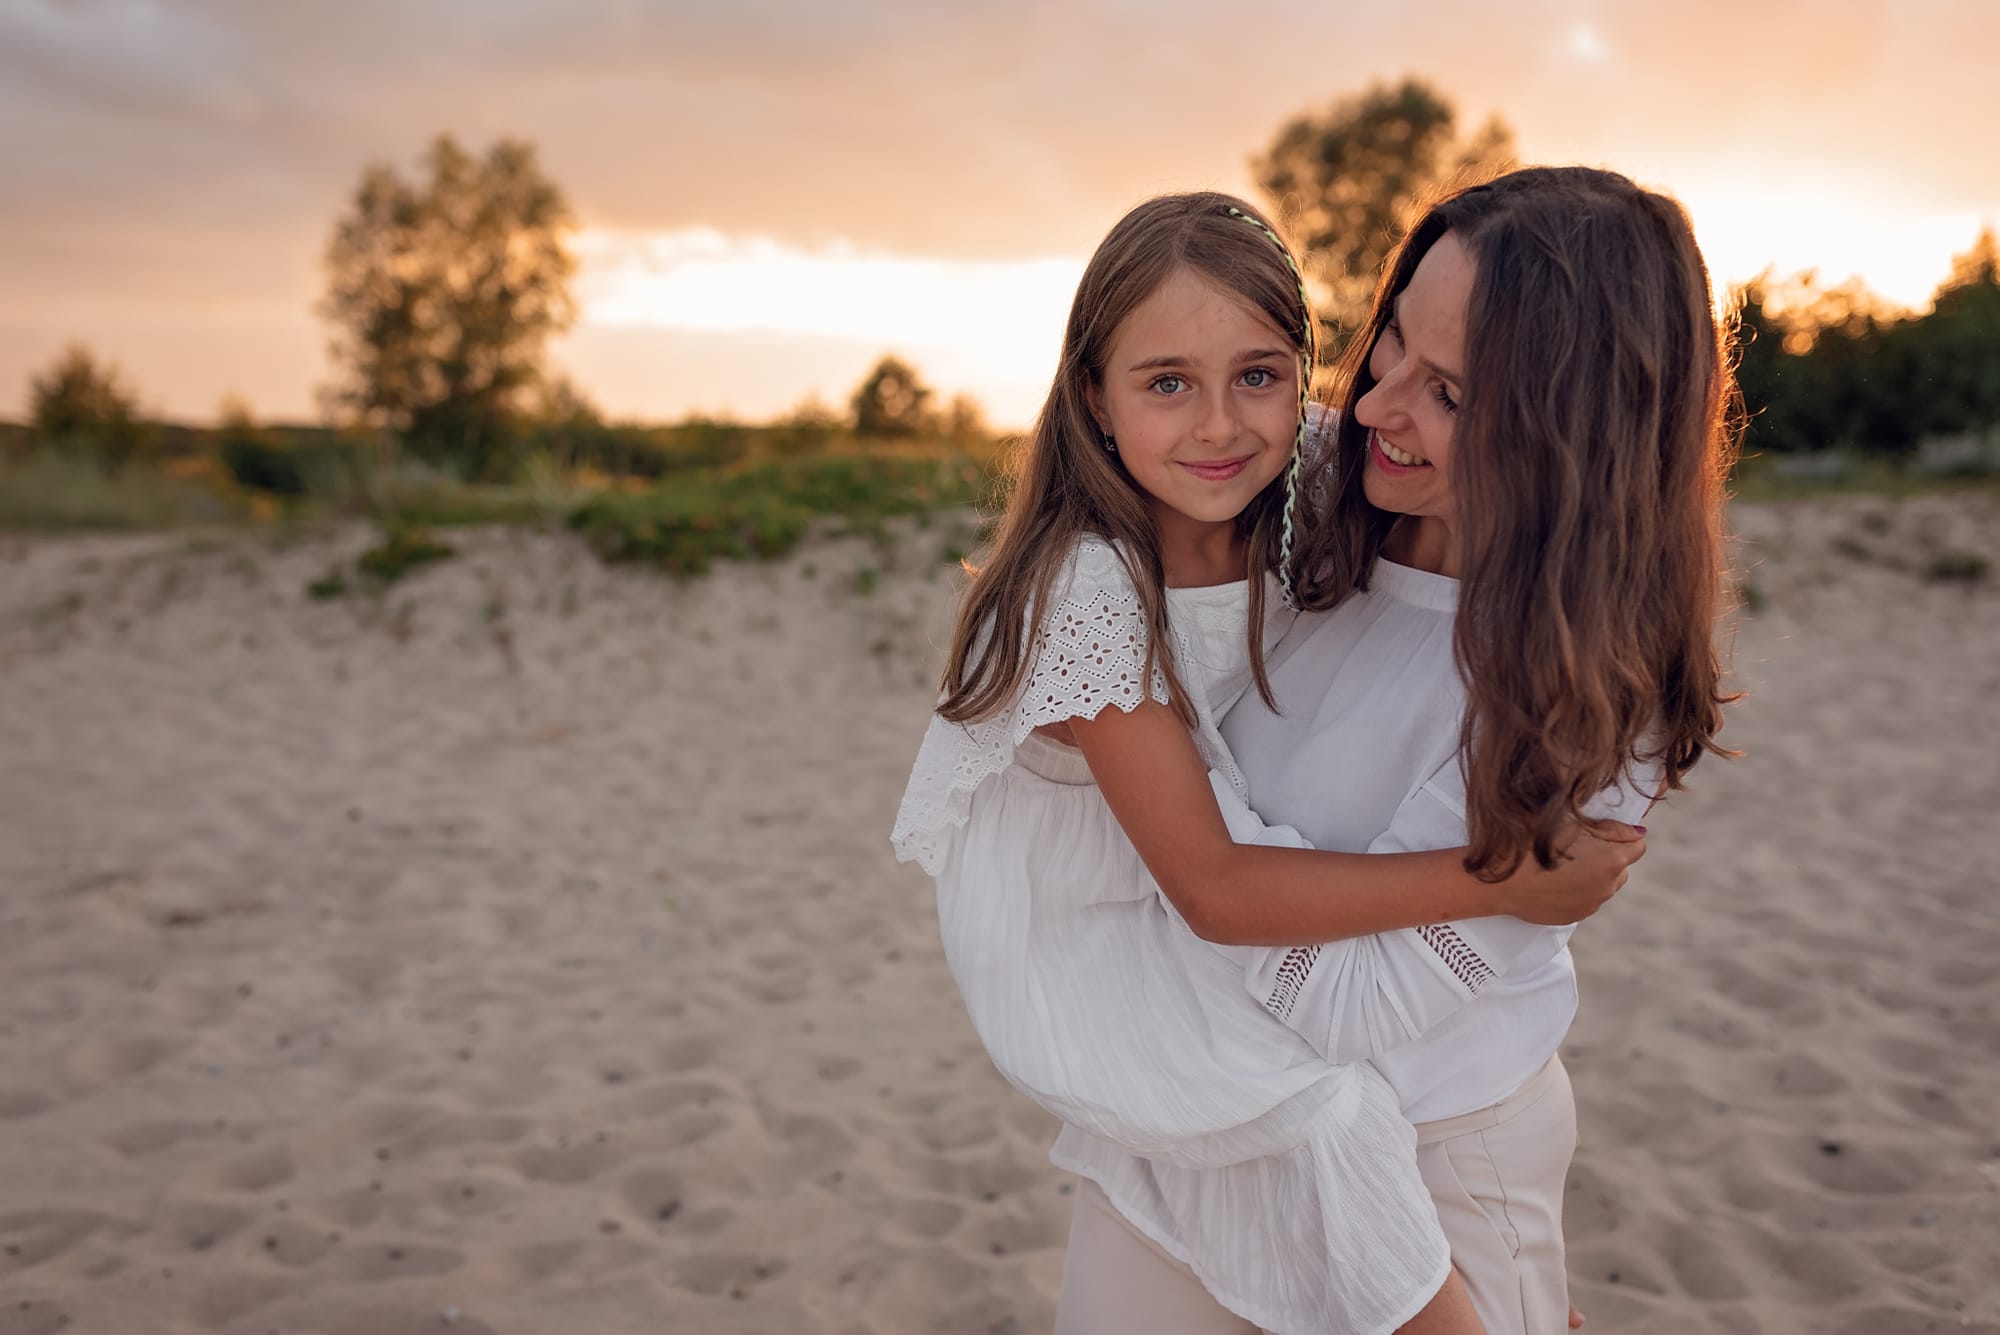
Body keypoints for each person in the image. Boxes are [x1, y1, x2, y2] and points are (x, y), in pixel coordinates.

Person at [890, 190, 1647, 1335]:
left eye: (1257, 374)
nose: (1216, 426)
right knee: (1320, 1122)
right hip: (1105, 939)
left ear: (1300, 374)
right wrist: (1505, 879)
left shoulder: (1296, 471)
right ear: (1090, 394)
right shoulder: (1088, 585)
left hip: (1190, 908)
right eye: (1163, 384)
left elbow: (1481, 435)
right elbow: (1216, 889)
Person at [1054, 166, 1741, 1334]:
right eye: (1387, 353)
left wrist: (1166, 868)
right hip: (1183, 1130)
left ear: (1573, 435)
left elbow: (1349, 1005)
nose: (1371, 409)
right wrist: (1173, 855)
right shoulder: (1298, 483)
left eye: (1451, 396)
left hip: (1428, 1163)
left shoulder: (1582, 698)